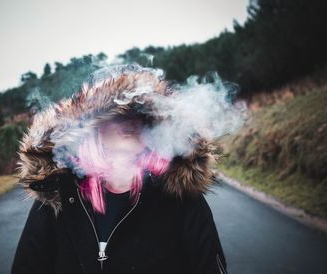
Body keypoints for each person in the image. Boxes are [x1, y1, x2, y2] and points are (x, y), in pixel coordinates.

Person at [11, 65, 228, 274]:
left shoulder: (180, 195)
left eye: (142, 113)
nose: (132, 121)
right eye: (118, 112)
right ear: (92, 125)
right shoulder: (58, 194)